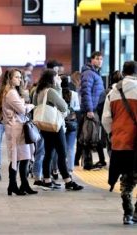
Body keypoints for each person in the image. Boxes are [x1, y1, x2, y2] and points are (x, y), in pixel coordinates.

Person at [33, 69, 84, 191]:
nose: (59, 79)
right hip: (55, 125)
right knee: (62, 152)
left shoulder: (38, 91)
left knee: (48, 152)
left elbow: (35, 105)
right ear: (52, 79)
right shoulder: (51, 91)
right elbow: (63, 106)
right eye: (57, 77)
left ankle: (47, 180)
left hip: (44, 124)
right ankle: (68, 181)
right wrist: (59, 87)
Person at [102, 61, 137, 225]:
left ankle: (127, 212)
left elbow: (106, 119)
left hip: (120, 142)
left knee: (126, 177)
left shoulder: (113, 92)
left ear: (123, 72)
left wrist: (113, 133)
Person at [0, 69, 37, 195]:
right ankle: (13, 185)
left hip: (17, 127)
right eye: (17, 77)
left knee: (23, 157)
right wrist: (31, 106)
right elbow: (22, 110)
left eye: (20, 77)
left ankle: (22, 184)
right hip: (16, 128)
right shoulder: (11, 93)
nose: (20, 79)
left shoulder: (9, 91)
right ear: (10, 78)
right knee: (17, 158)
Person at [78, 51, 106, 170]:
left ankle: (91, 162)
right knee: (88, 137)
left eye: (101, 59)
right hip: (91, 109)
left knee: (91, 136)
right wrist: (89, 109)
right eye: (98, 59)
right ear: (92, 60)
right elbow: (86, 92)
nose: (100, 61)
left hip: (95, 109)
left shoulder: (95, 73)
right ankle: (88, 164)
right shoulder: (89, 73)